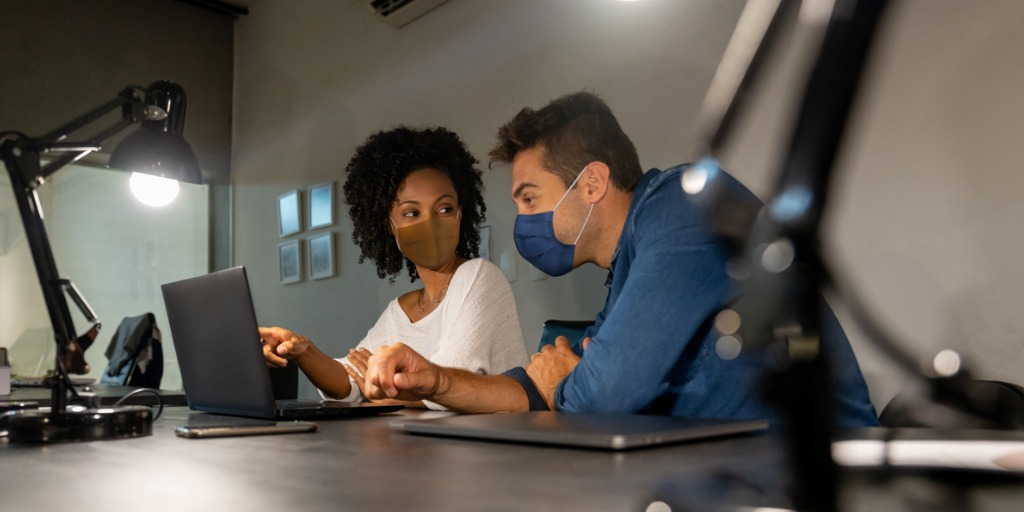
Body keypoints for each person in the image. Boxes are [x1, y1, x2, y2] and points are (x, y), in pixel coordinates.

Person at [361, 92, 879, 426]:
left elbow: (603, 391)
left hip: (823, 480)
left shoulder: (685, 207)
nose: (522, 219)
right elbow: (551, 390)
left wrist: (566, 380)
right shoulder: (628, 265)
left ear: (590, 183)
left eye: (529, 198)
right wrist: (435, 380)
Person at [260, 126, 528, 409]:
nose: (431, 223)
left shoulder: (480, 277)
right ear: (389, 225)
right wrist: (303, 350)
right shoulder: (399, 313)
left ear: (461, 214)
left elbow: (447, 385)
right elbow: (352, 382)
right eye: (412, 213)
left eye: (444, 209)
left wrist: (383, 391)